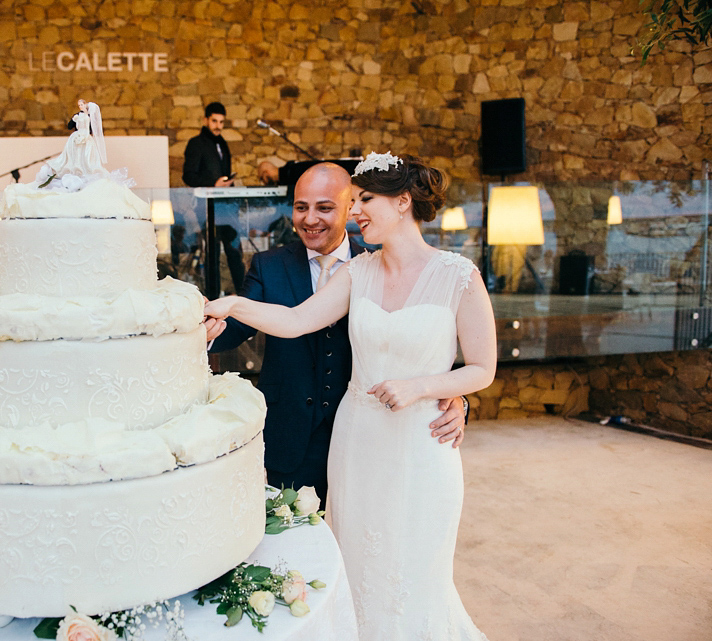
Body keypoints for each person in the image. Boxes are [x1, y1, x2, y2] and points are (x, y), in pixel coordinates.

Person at [205, 153, 496, 639]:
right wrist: (234, 303)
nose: (355, 210)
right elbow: (297, 321)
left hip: (422, 445)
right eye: (355, 199)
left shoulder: (459, 276)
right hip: (358, 441)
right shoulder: (358, 272)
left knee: (418, 567)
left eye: (364, 200)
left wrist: (428, 388)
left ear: (403, 202)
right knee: (356, 557)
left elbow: (483, 368)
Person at [206, 162, 467, 506]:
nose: (310, 218)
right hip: (290, 439)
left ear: (349, 208)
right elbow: (247, 324)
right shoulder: (269, 266)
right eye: (301, 207)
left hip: (370, 438)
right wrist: (195, 330)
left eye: (325, 208)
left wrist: (456, 400)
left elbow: (427, 345)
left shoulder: (378, 266)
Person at [182, 101, 245, 293]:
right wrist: (213, 183)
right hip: (207, 208)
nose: (218, 125)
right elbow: (188, 175)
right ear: (205, 120)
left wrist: (227, 184)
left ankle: (245, 296)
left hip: (226, 208)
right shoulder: (196, 143)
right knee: (213, 255)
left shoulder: (223, 144)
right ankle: (213, 298)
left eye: (221, 122)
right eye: (215, 121)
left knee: (235, 253)